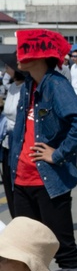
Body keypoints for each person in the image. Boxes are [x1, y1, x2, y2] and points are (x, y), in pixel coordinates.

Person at [8, 29, 77, 271]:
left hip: (48, 183)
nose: (17, 55)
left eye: (22, 49)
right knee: (28, 253)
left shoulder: (56, 85)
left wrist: (57, 154)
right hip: (22, 182)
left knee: (64, 251)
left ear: (37, 56)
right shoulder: (28, 85)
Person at [0, 63, 26, 205]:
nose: (5, 70)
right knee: (8, 185)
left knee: (18, 186)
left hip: (20, 141)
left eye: (8, 67)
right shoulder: (11, 87)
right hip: (7, 141)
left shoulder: (27, 88)